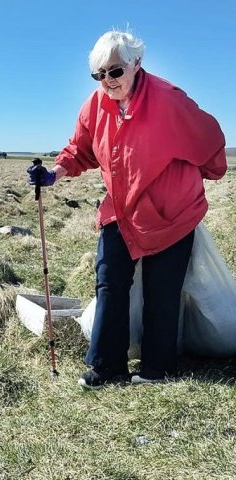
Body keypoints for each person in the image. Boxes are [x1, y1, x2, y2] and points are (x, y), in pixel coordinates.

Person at [27, 29, 227, 389]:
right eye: (99, 74)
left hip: (171, 212)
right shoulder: (95, 104)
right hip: (120, 208)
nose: (108, 81)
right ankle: (106, 368)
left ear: (137, 63)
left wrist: (202, 171)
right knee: (109, 280)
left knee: (161, 289)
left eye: (115, 71)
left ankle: (158, 369)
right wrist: (54, 173)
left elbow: (210, 140)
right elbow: (80, 149)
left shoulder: (169, 100)